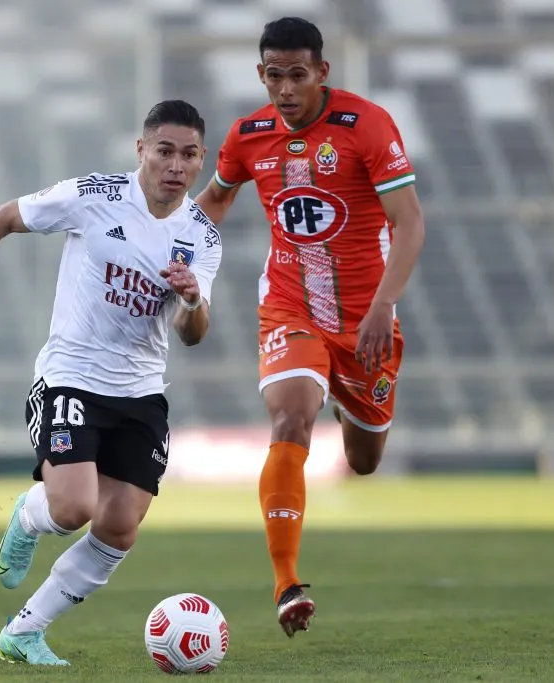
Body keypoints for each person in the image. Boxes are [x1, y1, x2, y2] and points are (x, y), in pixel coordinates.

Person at [0, 100, 222, 666]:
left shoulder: (202, 237)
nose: (175, 165)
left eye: (188, 155)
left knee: (120, 526)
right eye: (164, 151)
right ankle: (29, 514)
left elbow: (193, 333)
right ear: (142, 149)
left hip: (141, 392)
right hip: (71, 378)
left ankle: (25, 632)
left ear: (201, 159)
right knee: (74, 506)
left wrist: (190, 298)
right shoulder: (94, 196)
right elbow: (6, 217)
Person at [194, 17, 426, 638]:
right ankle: (286, 583)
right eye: (274, 76)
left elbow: (410, 222)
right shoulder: (248, 135)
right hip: (289, 306)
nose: (286, 89)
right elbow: (215, 200)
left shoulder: (366, 126)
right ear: (261, 74)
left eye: (298, 75)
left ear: (322, 72)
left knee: (364, 459)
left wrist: (384, 305)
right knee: (290, 418)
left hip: (366, 319)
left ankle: (348, 400)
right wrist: (172, 246)